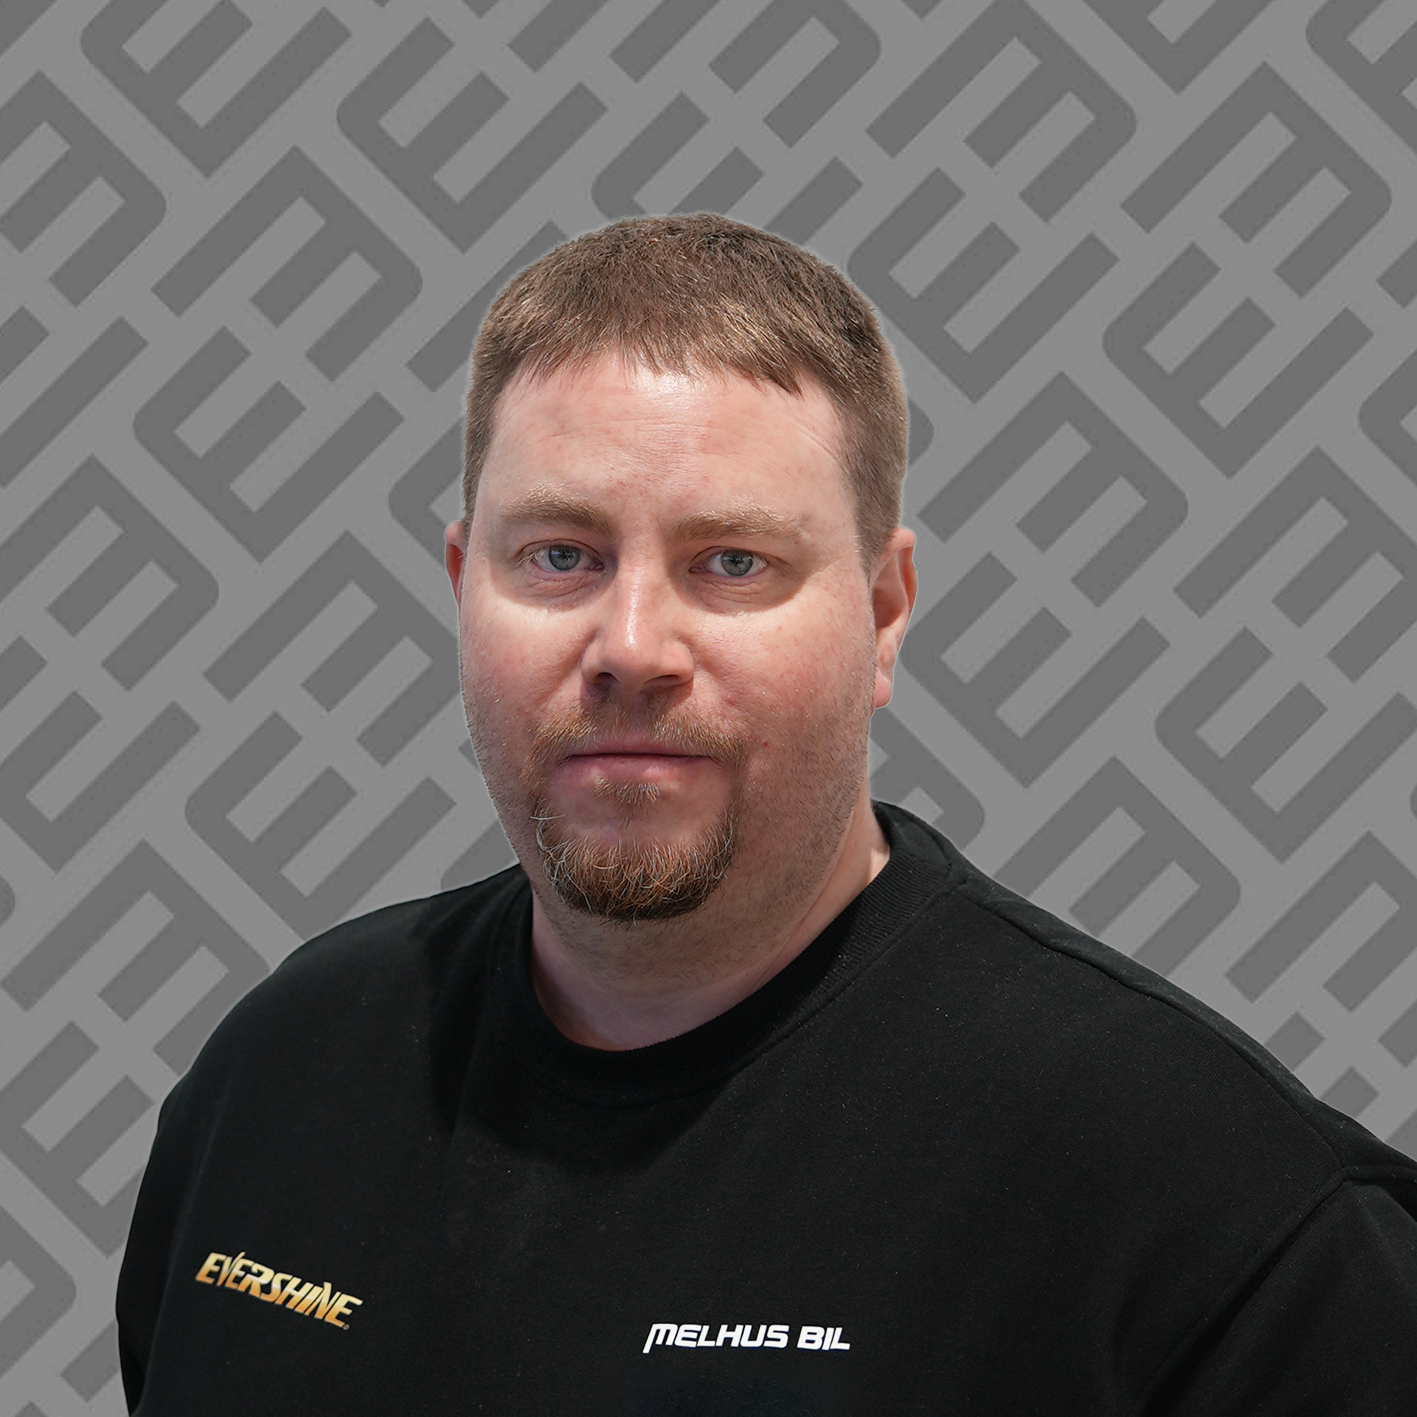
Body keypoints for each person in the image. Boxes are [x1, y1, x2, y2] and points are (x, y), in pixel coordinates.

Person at [117, 215, 1417, 1415]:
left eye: (730, 562)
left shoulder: (1216, 1208)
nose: (632, 647)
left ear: (884, 612)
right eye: (560, 556)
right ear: (465, 587)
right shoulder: (278, 1075)